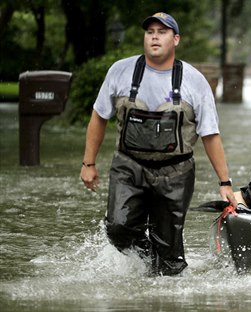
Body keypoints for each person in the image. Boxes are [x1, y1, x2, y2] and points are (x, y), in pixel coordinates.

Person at [80, 12, 237, 276]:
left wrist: (225, 182)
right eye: (150, 31)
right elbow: (98, 116)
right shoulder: (120, 71)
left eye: (162, 32)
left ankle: (165, 277)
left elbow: (210, 133)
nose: (154, 36)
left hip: (176, 173)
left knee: (170, 255)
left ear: (175, 39)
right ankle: (148, 262)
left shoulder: (194, 80)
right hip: (128, 166)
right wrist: (88, 163)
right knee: (118, 229)